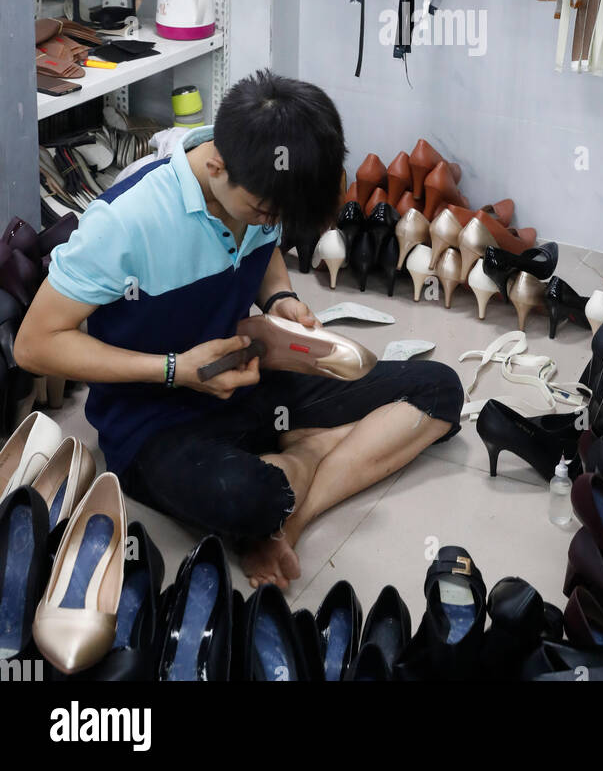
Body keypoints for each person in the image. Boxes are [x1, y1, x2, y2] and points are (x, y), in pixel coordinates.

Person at [15, 70, 462, 589]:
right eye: (262, 211)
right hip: (154, 422)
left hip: (248, 382)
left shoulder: (259, 176)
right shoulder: (125, 220)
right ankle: (297, 470)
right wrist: (175, 370)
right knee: (250, 497)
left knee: (439, 389)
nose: (263, 224)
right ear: (216, 165)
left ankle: (299, 482)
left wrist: (281, 297)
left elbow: (264, 243)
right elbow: (34, 344)